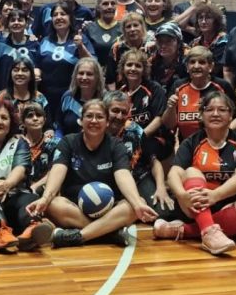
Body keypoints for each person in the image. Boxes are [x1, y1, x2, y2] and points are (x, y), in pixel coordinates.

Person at [26, 98, 157, 247]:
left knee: (137, 204)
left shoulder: (116, 145)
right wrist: (45, 198)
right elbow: (57, 170)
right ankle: (109, 233)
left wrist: (137, 204)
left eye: (99, 117)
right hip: (75, 209)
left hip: (110, 209)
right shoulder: (68, 142)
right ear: (81, 121)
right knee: (53, 204)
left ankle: (79, 236)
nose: (94, 120)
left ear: (107, 122)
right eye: (89, 116)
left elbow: (123, 175)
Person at [155, 90, 236, 255]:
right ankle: (209, 232)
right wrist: (182, 195)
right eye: (210, 109)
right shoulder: (191, 142)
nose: (215, 114)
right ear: (202, 115)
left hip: (226, 204)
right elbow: (174, 173)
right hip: (194, 205)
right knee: (191, 171)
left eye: (222, 110)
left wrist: (215, 195)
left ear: (231, 115)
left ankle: (183, 231)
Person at [0, 98, 54, 252]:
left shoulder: (19, 142)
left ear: (11, 123)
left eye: (4, 118)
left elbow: (21, 168)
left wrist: (6, 184)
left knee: (29, 198)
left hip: (14, 194)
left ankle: (32, 228)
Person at [104, 90, 172, 215]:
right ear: (105, 110)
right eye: (115, 111)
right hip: (106, 181)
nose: (119, 116)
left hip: (138, 178)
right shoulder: (95, 130)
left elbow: (154, 162)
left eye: (124, 112)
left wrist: (161, 187)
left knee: (163, 212)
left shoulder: (135, 130)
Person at [163, 45, 236, 144]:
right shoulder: (178, 86)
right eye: (192, 62)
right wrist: (171, 108)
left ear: (210, 67)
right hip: (187, 145)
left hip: (218, 143)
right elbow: (168, 125)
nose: (196, 66)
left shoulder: (223, 86)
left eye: (202, 62)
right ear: (187, 67)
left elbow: (235, 118)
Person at [35, 3, 91, 127]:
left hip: (71, 96)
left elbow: (92, 64)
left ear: (70, 18)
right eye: (55, 15)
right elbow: (37, 64)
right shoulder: (45, 41)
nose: (59, 17)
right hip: (47, 96)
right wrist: (36, 72)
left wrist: (81, 47)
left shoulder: (80, 39)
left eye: (63, 14)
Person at [118, 48, 167, 154]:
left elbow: (159, 118)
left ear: (144, 70)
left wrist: (139, 137)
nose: (133, 68)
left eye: (138, 66)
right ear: (123, 68)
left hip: (152, 138)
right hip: (127, 141)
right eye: (129, 65)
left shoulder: (154, 88)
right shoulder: (120, 92)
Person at [0, 2, 39, 92]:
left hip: (27, 94)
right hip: (3, 93)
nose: (16, 23)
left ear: (26, 24)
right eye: (13, 20)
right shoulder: (0, 44)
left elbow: (39, 68)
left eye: (20, 20)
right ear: (8, 24)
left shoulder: (34, 44)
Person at [59, 57, 106, 135]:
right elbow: (59, 126)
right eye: (81, 73)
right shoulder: (67, 97)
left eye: (89, 74)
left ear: (97, 77)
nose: (84, 77)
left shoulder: (105, 99)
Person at [20, 101, 58, 195]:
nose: (35, 118)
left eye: (39, 115)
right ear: (23, 122)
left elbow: (55, 171)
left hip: (45, 189)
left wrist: (35, 187)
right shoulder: (17, 143)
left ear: (44, 120)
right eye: (30, 116)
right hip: (20, 191)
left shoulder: (54, 144)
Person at [82, 0, 123, 70]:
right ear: (98, 7)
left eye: (113, 3)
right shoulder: (89, 28)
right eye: (105, 4)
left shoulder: (123, 28)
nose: (110, 7)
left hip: (117, 73)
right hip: (94, 72)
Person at [106, 12, 149, 85]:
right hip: (121, 89)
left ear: (142, 27)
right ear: (124, 30)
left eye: (135, 25)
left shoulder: (149, 47)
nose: (132, 29)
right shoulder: (116, 49)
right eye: (128, 27)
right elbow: (110, 79)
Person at [189, 1, 227, 78]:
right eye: (200, 18)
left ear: (216, 21)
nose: (203, 22)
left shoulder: (224, 41)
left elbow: (216, 68)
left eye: (208, 18)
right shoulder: (194, 42)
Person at [149, 21, 188, 95]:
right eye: (160, 41)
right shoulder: (152, 61)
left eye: (169, 41)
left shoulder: (187, 61)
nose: (163, 45)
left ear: (179, 43)